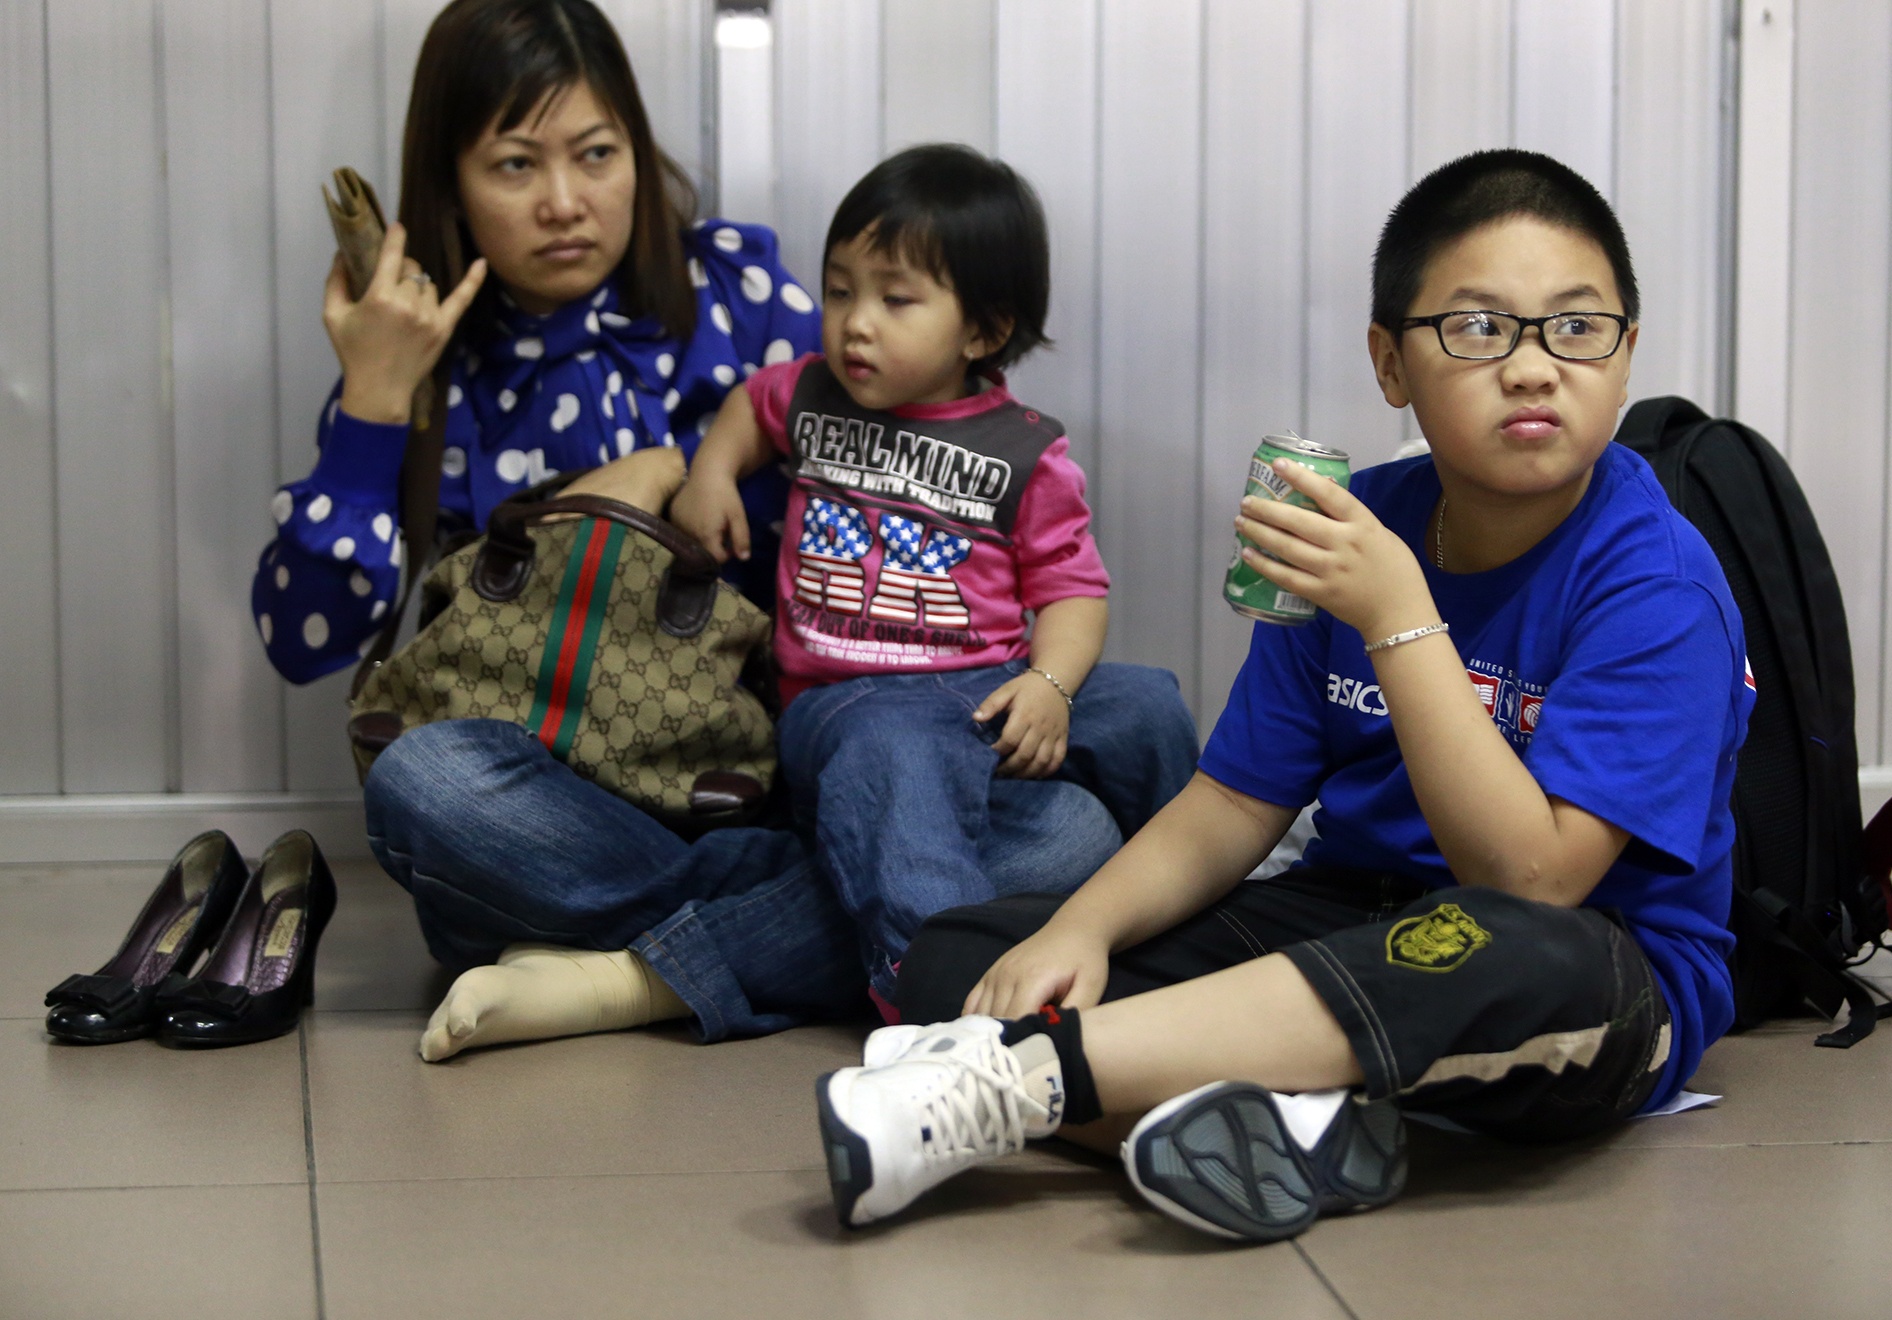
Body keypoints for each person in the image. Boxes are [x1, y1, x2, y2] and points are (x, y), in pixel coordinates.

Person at [811, 148, 1756, 1242]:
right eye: (1479, 327)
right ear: (1390, 363)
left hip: (1581, 960)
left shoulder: (1658, 583)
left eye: (1577, 327)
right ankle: (1306, 1133)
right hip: (1349, 912)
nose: (1535, 368)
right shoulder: (1358, 524)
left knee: (1521, 954)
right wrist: (1079, 930)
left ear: (1626, 355)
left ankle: (1007, 1087)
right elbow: (1235, 801)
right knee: (970, 954)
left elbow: (1532, 880)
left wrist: (1399, 615)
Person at [253, 0, 1144, 1060]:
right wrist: (375, 399)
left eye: (597, 154)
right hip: (558, 802)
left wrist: (682, 464)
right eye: (516, 166)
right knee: (422, 783)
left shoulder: (740, 293)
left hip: (774, 777)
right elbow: (307, 640)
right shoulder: (424, 359)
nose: (566, 203)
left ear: (638, 151)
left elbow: (920, 436)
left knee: (1069, 828)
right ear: (450, 181)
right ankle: (805, 929)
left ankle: (628, 974)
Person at [671, 145, 1198, 1009]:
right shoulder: (808, 394)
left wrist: (1050, 685)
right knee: (899, 754)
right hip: (848, 706)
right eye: (839, 291)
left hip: (989, 690)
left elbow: (1071, 589)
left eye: (895, 299)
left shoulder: (1026, 450)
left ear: (982, 331)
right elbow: (748, 408)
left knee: (1149, 704)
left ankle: (1188, 908)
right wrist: (711, 474)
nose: (855, 323)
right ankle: (936, 990)